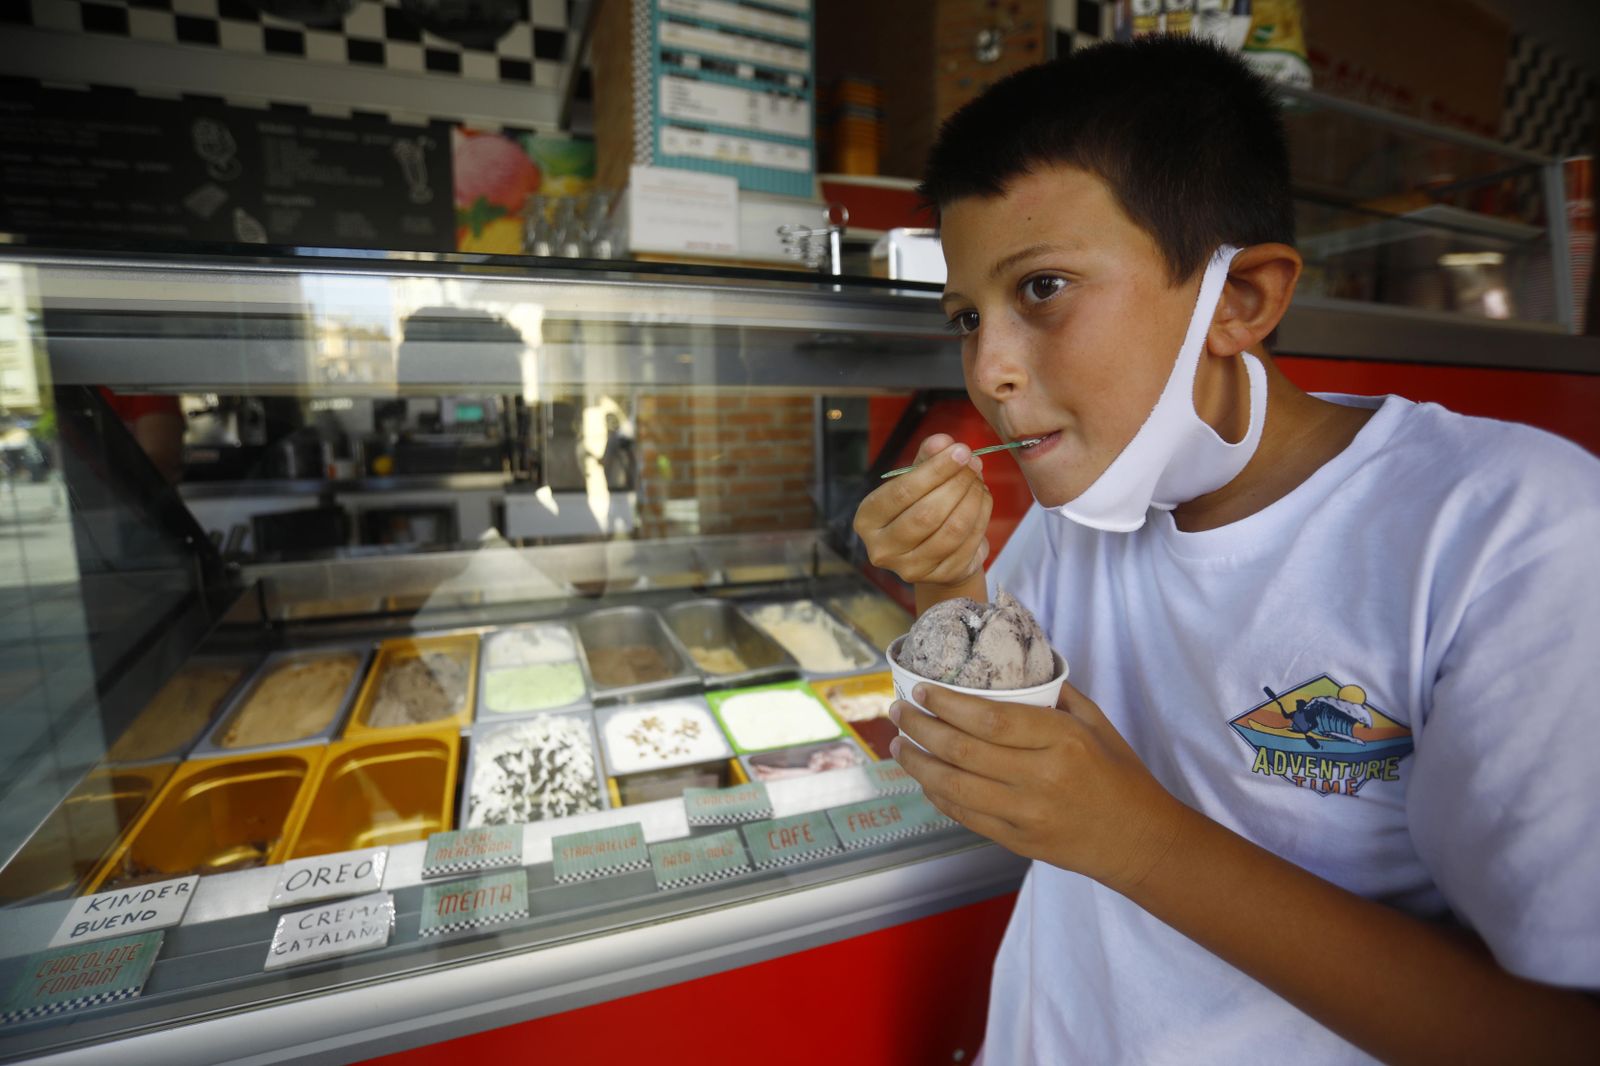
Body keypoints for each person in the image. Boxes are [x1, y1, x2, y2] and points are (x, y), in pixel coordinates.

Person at [852, 37, 1600, 1065]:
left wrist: (1135, 836)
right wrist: (948, 581)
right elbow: (1004, 758)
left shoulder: (1503, 532)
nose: (987, 369)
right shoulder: (1085, 503)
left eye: (1041, 291)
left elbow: (1559, 1033)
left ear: (1240, 299)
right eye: (966, 316)